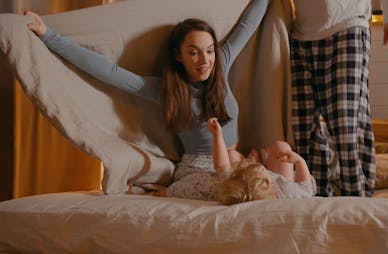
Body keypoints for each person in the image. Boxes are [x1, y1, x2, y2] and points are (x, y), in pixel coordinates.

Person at [25, 0, 271, 198]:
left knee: (273, 181)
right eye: (193, 53)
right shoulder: (165, 90)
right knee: (233, 194)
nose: (205, 61)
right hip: (201, 169)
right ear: (178, 55)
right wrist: (49, 36)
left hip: (233, 162)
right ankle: (169, 192)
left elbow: (247, 25)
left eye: (209, 51)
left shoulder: (221, 64)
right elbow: (109, 73)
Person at [289, 0, 388, 197]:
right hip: (300, 33)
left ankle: (358, 202)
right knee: (305, 130)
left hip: (347, 25)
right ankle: (316, 202)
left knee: (347, 128)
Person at [206, 118, 316, 205]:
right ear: (272, 186)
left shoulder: (236, 189)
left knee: (231, 154)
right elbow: (306, 187)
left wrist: (217, 136)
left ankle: (252, 158)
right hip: (285, 183)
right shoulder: (285, 191)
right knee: (282, 146)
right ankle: (256, 158)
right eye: (263, 169)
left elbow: (222, 166)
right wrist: (299, 161)